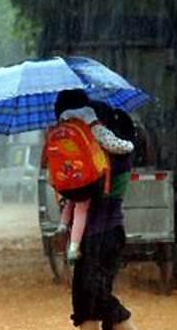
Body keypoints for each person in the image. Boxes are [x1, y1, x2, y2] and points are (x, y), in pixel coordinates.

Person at [56, 96, 169, 330]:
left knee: (97, 294)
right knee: (83, 299)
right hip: (88, 237)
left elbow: (89, 186)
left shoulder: (114, 156)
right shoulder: (88, 153)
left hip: (105, 235)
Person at [53, 90, 134, 265]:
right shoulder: (89, 119)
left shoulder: (61, 123)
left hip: (67, 176)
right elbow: (109, 142)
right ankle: (73, 248)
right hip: (87, 177)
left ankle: (62, 225)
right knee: (82, 208)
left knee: (70, 201)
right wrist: (128, 145)